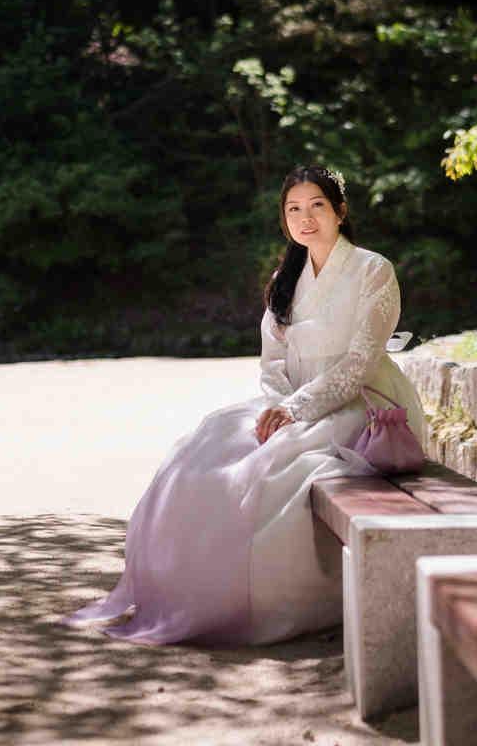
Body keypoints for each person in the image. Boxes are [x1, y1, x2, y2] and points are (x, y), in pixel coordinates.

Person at [63, 163, 426, 646]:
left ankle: (263, 600)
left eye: (317, 205)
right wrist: (277, 407)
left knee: (275, 472)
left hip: (360, 404)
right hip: (290, 401)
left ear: (340, 210)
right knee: (203, 449)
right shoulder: (285, 279)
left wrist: (295, 411)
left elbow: (360, 362)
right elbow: (273, 361)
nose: (306, 218)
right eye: (294, 209)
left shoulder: (372, 270)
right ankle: (181, 589)